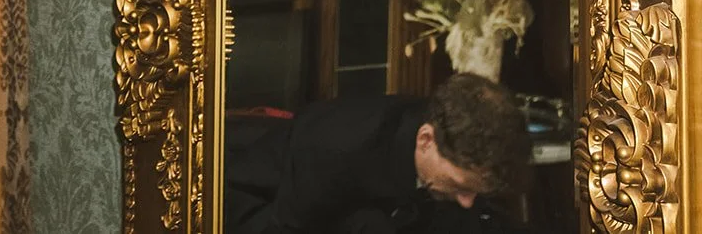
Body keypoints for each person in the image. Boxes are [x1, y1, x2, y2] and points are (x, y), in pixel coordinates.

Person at [225, 74, 531, 234]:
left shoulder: (444, 128)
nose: (467, 201)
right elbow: (287, 228)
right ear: (426, 140)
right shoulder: (337, 146)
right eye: (462, 187)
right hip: (252, 210)